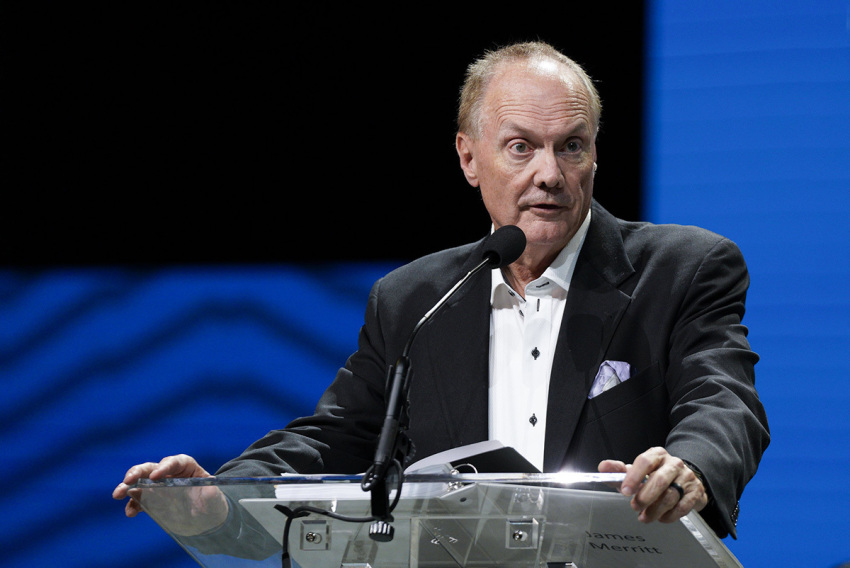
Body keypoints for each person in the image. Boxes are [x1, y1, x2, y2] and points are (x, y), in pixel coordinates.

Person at [114, 41, 769, 542]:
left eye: (571, 147)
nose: (550, 173)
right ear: (468, 157)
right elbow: (336, 437)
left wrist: (690, 467)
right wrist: (225, 495)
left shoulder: (683, 270)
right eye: (521, 147)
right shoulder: (414, 299)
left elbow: (725, 401)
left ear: (595, 155)